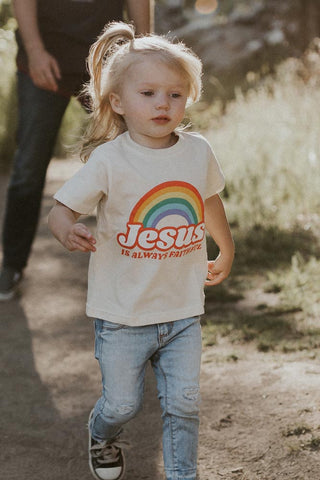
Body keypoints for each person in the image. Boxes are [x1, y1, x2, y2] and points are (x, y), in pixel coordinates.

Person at [48, 21, 235, 480]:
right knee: (122, 403)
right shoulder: (111, 159)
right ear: (118, 102)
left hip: (181, 309)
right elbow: (61, 208)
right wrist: (65, 230)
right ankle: (101, 433)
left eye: (174, 94)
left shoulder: (196, 151)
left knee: (185, 405)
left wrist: (225, 249)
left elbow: (208, 201)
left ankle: (182, 474)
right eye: (148, 93)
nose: (162, 104)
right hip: (122, 314)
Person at [0, 0, 152, 301]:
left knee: (132, 157)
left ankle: (142, 258)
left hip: (106, 60)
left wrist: (145, 53)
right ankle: (12, 265)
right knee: (29, 165)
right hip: (44, 59)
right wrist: (35, 51)